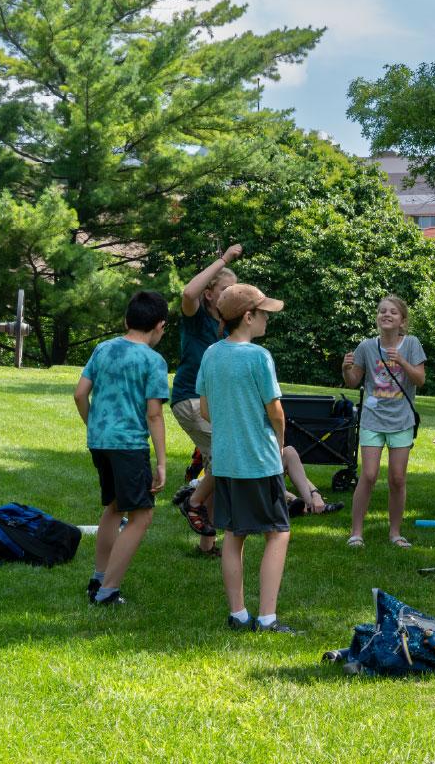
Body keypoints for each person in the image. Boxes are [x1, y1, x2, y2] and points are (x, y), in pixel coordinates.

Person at [197, 283, 296, 633]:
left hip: (225, 461)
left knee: (234, 535)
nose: (268, 318)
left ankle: (238, 614)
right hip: (259, 460)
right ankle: (267, 618)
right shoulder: (258, 357)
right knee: (278, 533)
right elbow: (276, 412)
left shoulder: (211, 354)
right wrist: (280, 446)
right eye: (264, 312)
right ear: (248, 316)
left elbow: (205, 410)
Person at [73, 291, 170, 606]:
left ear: (127, 320)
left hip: (99, 442)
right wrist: (162, 463)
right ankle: (108, 591)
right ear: (159, 326)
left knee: (114, 507)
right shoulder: (153, 361)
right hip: (128, 445)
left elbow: (80, 394)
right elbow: (154, 414)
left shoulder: (103, 349)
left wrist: (95, 426)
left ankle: (98, 578)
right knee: (141, 516)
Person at [171, 243, 241, 556]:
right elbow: (188, 293)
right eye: (225, 290)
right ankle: (193, 500)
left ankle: (207, 543)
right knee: (227, 455)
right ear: (210, 294)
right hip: (190, 399)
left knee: (218, 463)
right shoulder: (196, 316)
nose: (230, 296)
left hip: (211, 404)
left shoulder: (226, 329)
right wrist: (223, 260)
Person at [341, 295, 426, 548]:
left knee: (398, 478)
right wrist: (346, 369)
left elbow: (420, 379)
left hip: (401, 420)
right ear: (377, 318)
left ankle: (395, 533)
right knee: (368, 474)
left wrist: (401, 362)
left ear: (402, 321)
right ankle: (356, 533)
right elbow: (354, 381)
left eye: (393, 312)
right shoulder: (367, 347)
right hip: (372, 418)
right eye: (382, 311)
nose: (386, 315)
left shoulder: (411, 344)